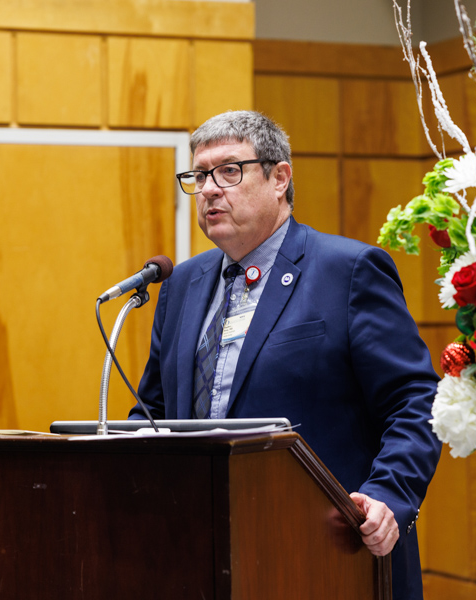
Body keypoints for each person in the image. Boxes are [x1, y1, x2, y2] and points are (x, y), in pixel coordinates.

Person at [131, 110, 442, 599]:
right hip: (203, 554)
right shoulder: (182, 285)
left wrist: (389, 495)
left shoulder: (349, 271)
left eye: (229, 171)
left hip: (327, 553)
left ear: (280, 178)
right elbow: (150, 413)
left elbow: (416, 401)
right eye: (199, 175)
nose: (210, 189)